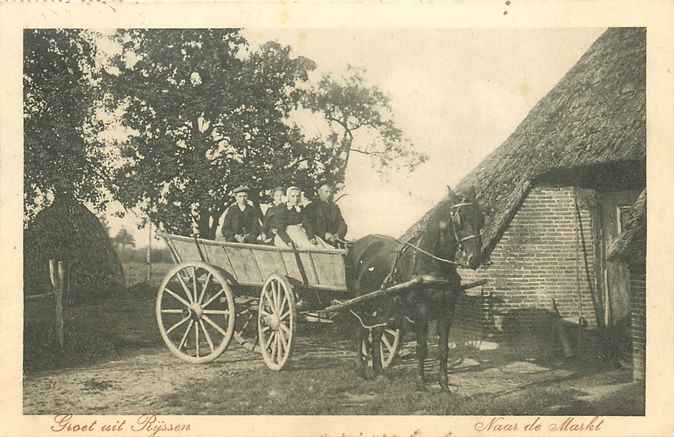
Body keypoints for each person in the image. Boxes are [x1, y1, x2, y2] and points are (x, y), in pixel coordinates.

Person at [303, 182, 348, 247]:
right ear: (319, 192)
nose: (329, 194)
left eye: (330, 192)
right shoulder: (311, 207)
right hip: (319, 242)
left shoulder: (334, 207)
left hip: (334, 241)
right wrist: (323, 234)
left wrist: (338, 234)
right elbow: (308, 224)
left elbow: (342, 223)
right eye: (326, 192)